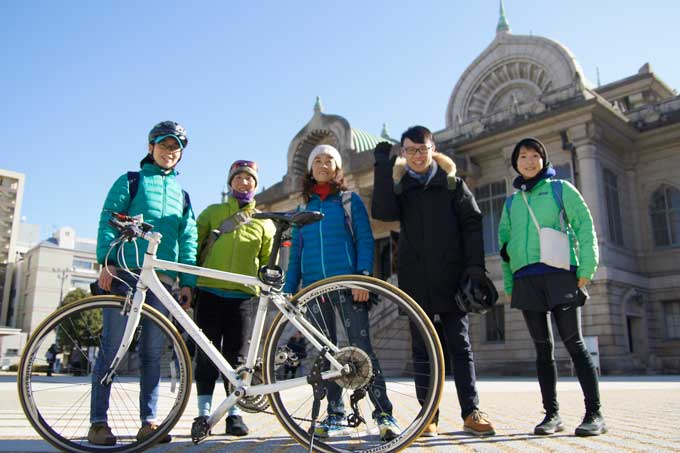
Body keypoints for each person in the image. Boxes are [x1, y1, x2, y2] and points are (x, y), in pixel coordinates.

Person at [372, 126, 495, 438]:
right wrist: (383, 170)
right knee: (422, 350)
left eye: (422, 149)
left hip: (454, 278)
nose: (417, 155)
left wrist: (475, 268)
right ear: (404, 153)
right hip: (416, 281)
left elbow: (472, 225)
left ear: (433, 149)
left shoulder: (453, 185)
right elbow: (383, 212)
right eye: (410, 150)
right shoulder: (402, 189)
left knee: (460, 345)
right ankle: (429, 416)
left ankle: (471, 412)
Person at [89, 121, 197, 446]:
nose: (170, 151)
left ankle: (148, 422)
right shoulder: (131, 181)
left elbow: (188, 238)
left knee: (152, 353)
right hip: (124, 272)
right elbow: (109, 217)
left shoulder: (183, 194)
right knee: (111, 349)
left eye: (176, 147)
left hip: (163, 279)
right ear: (151, 147)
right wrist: (106, 261)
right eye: (165, 145)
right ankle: (98, 423)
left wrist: (187, 281)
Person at [283, 144, 400, 442]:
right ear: (310, 169)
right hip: (313, 291)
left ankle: (384, 414)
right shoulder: (301, 209)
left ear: (337, 169)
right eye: (317, 160)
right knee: (327, 355)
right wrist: (288, 292)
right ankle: (334, 415)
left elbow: (365, 239)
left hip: (349, 287)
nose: (323, 165)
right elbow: (295, 253)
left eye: (329, 161)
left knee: (362, 350)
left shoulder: (349, 200)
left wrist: (362, 278)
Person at [498, 137, 606, 436]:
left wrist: (587, 267)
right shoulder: (511, 203)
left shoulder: (561, 189)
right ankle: (552, 415)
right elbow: (504, 247)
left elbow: (584, 226)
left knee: (574, 344)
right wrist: (509, 283)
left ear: (544, 160)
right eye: (523, 156)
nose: (529, 161)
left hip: (560, 274)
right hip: (525, 280)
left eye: (535, 155)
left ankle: (594, 414)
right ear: (515, 163)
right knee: (542, 350)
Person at [193, 160, 275, 437]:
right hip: (209, 291)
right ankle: (203, 414)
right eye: (238, 178)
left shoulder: (264, 222)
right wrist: (189, 282)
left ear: (256, 184)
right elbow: (194, 243)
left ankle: (234, 413)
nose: (244, 182)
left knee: (237, 359)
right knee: (206, 355)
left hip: (243, 298)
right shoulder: (212, 212)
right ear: (230, 182)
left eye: (249, 178)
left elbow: (266, 261)